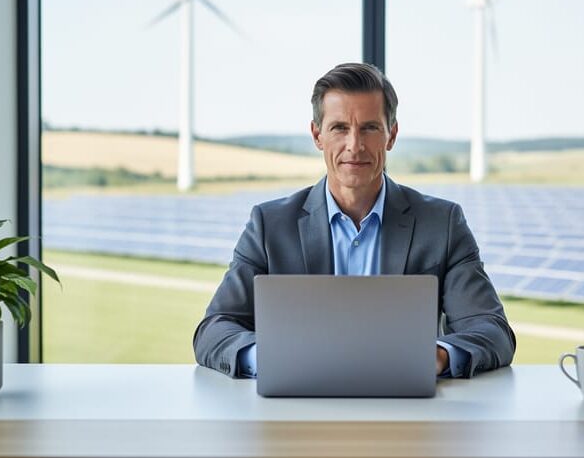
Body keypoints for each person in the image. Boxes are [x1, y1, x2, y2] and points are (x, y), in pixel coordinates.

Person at [193, 62, 516, 378]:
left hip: (407, 415)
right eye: (339, 128)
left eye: (370, 128)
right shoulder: (270, 225)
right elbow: (214, 330)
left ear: (391, 135)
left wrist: (438, 356)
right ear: (317, 135)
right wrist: (271, 358)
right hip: (295, 414)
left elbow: (491, 330)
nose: (355, 146)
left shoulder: (442, 223)